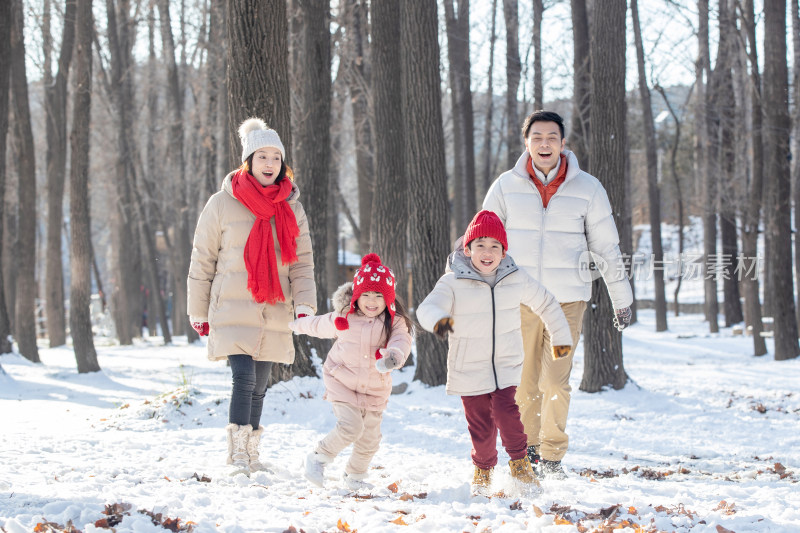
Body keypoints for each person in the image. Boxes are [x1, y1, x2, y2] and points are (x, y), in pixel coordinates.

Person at [482, 110, 633, 479]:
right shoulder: (505, 186)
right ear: (526, 142)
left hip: (568, 302)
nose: (545, 143)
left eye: (552, 137)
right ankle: (529, 449)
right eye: (537, 137)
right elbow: (482, 239)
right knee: (524, 380)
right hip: (521, 299)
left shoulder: (588, 188)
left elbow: (607, 247)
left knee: (556, 380)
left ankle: (552, 455)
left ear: (563, 144)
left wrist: (622, 298)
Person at [187, 117, 317, 476]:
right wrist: (197, 310)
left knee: (260, 384)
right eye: (263, 157)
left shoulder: (291, 208)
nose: (270, 164)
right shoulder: (221, 204)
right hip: (231, 305)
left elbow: (302, 263)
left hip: (273, 309)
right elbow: (202, 259)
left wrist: (305, 305)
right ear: (248, 161)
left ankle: (252, 451)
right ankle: (237, 455)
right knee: (243, 377)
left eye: (276, 158)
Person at [416, 211, 573, 496]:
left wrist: (560, 337)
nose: (487, 252)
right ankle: (484, 468)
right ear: (468, 249)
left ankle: (520, 464)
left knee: (507, 413)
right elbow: (427, 307)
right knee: (481, 428)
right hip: (469, 367)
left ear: (503, 252)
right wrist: (439, 319)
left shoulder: (516, 278)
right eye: (480, 245)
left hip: (505, 365)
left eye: (494, 246)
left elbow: (547, 303)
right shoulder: (452, 282)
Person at [290, 253, 413, 490]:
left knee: (370, 439)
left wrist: (393, 357)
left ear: (388, 298)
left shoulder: (394, 321)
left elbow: (402, 340)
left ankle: (354, 477)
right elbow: (318, 324)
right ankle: (318, 458)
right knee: (351, 427)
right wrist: (296, 325)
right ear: (356, 295)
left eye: (378, 295)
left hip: (375, 388)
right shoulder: (344, 317)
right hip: (342, 382)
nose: (371, 301)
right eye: (366, 294)